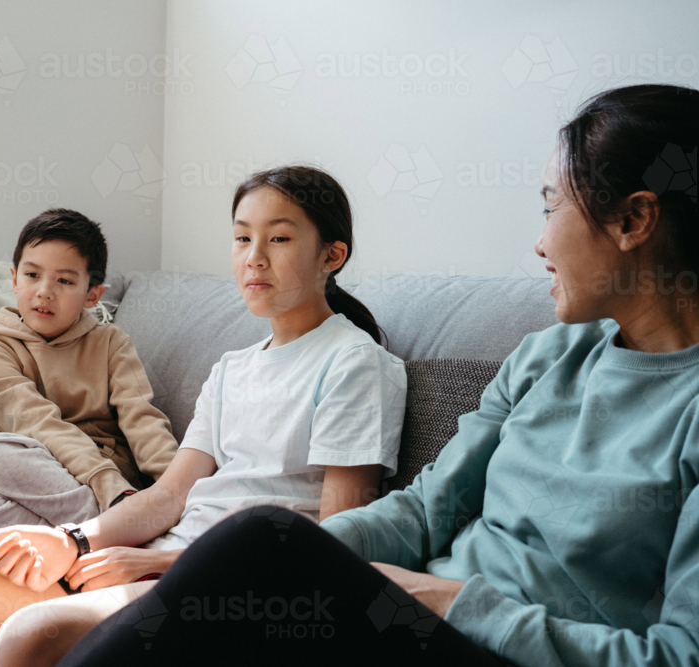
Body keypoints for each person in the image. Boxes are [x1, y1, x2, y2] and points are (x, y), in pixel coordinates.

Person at [56, 83, 699, 667]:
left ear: (633, 221)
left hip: (496, 644)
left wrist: (442, 600)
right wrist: (306, 562)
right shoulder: (545, 357)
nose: (539, 244)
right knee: (254, 548)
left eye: (550, 207)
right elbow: (423, 512)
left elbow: (678, 654)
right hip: (412, 615)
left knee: (252, 543)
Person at [0, 165, 408, 667]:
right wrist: (75, 540)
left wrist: (157, 568)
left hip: (225, 584)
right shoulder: (232, 368)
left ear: (332, 256)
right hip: (161, 555)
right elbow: (169, 496)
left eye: (279, 238)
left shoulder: (355, 363)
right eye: (243, 237)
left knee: (27, 636)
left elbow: (337, 543)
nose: (253, 257)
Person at [0, 209, 178, 546]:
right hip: (40, 474)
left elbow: (143, 421)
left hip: (110, 476)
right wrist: (117, 498)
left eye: (64, 281)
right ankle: (114, 532)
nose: (44, 291)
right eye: (32, 275)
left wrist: (176, 491)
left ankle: (106, 531)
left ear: (92, 295)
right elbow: (37, 423)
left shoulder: (111, 343)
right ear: (15, 279)